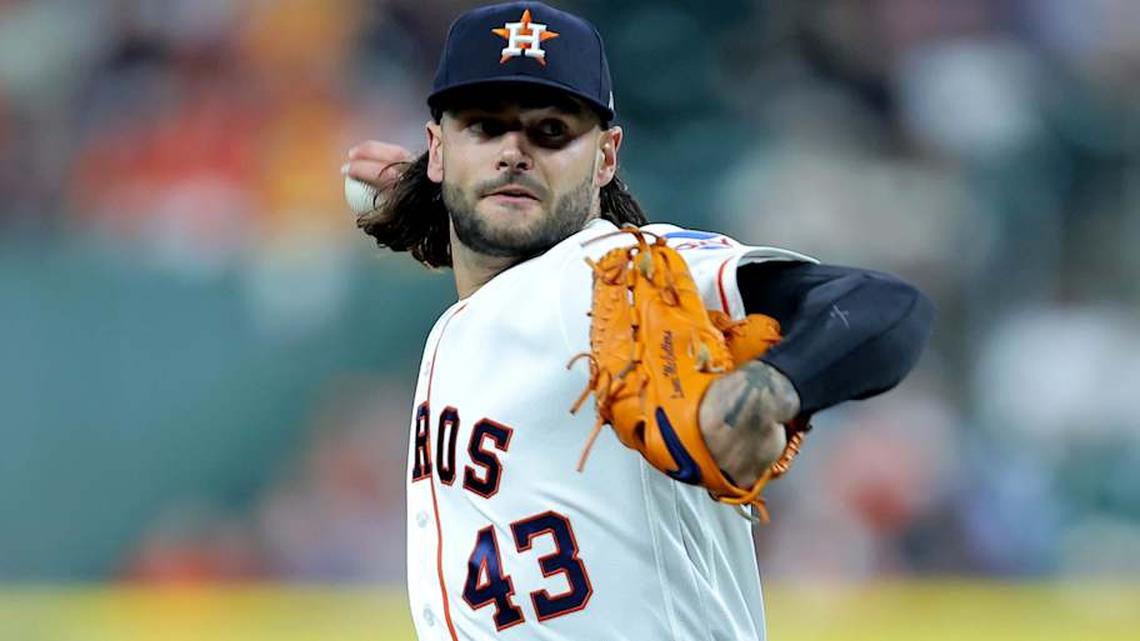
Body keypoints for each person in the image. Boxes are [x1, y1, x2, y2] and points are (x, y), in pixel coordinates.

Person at [342, 3, 932, 640]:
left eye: (550, 132)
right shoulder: (477, 315)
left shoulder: (618, 271)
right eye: (485, 128)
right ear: (437, 149)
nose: (514, 152)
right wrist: (432, 206)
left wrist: (767, 391)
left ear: (604, 158)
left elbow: (881, 306)